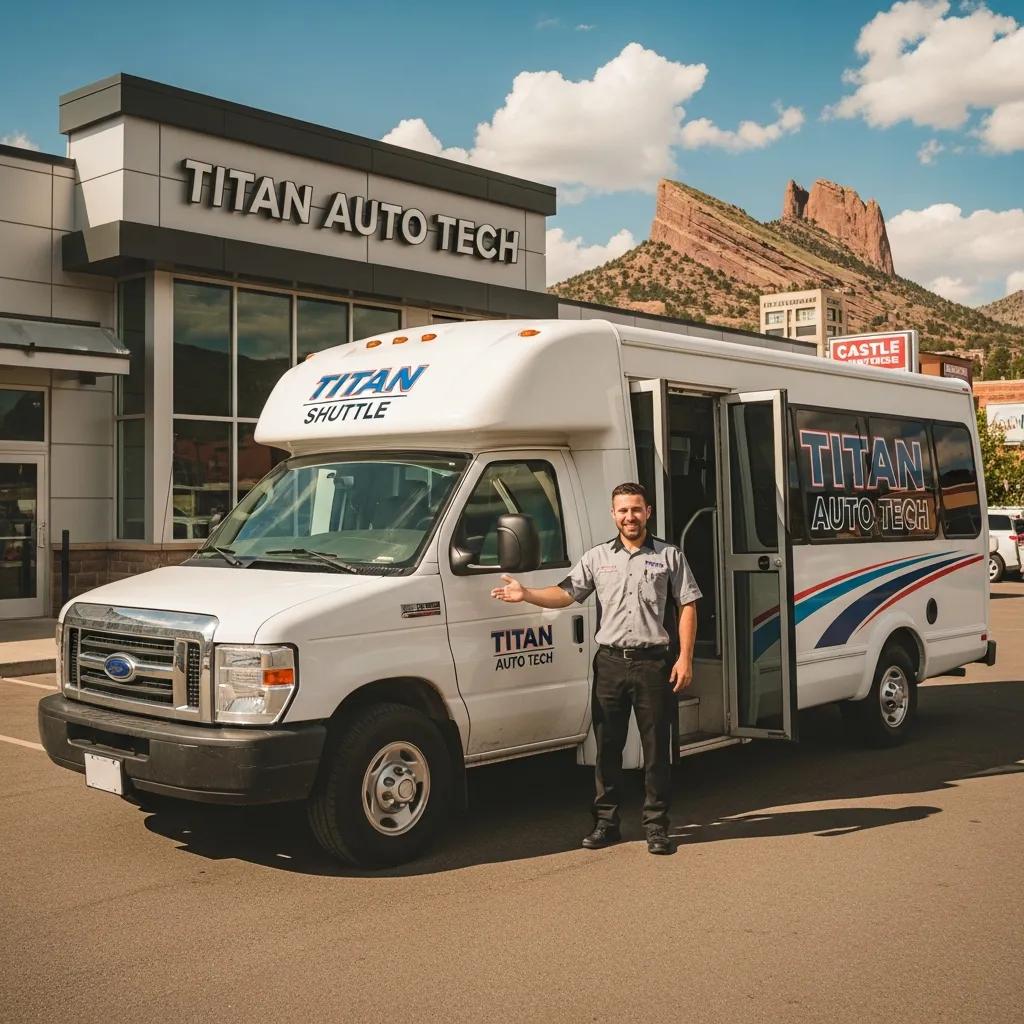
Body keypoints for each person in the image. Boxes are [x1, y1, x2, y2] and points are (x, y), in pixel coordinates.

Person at [491, 482, 700, 855]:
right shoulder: (597, 557)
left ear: (648, 512)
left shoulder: (670, 556)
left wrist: (685, 657)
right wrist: (527, 594)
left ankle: (657, 827)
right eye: (623, 510)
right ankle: (607, 824)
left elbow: (687, 605)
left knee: (655, 751)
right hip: (610, 665)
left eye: (636, 509)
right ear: (613, 514)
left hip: (654, 665)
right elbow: (567, 592)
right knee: (606, 749)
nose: (629, 517)